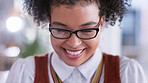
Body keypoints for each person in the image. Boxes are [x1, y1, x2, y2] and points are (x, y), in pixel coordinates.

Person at [6, 0, 147, 83]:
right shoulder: (26, 73)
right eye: (61, 30)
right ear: (49, 22)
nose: (74, 43)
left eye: (86, 30)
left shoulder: (126, 74)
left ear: (101, 24)